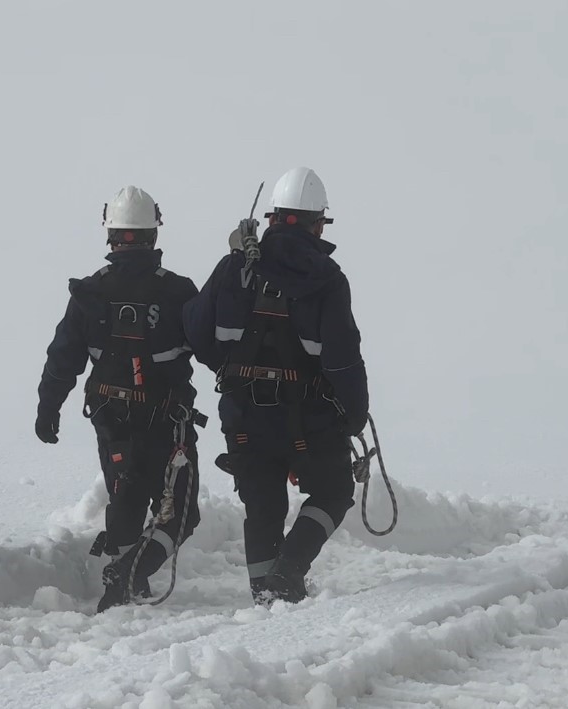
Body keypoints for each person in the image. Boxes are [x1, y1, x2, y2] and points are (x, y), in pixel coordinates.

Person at [183, 167, 369, 604]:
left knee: (262, 505)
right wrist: (355, 414)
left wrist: (231, 372)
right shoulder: (327, 279)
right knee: (334, 490)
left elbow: (195, 329)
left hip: (243, 414)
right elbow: (342, 359)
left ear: (271, 218)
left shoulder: (234, 267)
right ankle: (287, 573)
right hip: (308, 417)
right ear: (317, 223)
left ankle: (265, 593)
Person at [35, 185, 203, 612]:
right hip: (167, 421)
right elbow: (216, 348)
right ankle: (129, 578)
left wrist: (48, 407)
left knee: (125, 498)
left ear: (110, 232)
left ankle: (125, 583)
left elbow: (63, 357)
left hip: (111, 417)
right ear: (154, 232)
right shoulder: (180, 293)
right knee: (181, 512)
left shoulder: (90, 293)